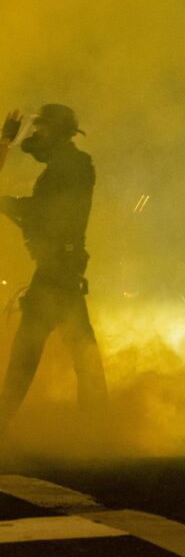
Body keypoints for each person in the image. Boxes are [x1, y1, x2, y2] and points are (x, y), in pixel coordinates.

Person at [0, 104, 107, 433]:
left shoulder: (73, 166)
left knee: (28, 353)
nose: (34, 133)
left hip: (57, 272)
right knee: (80, 348)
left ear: (58, 132)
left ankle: (3, 421)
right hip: (60, 270)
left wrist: (7, 204)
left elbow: (45, 214)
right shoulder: (67, 163)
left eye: (41, 128)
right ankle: (98, 426)